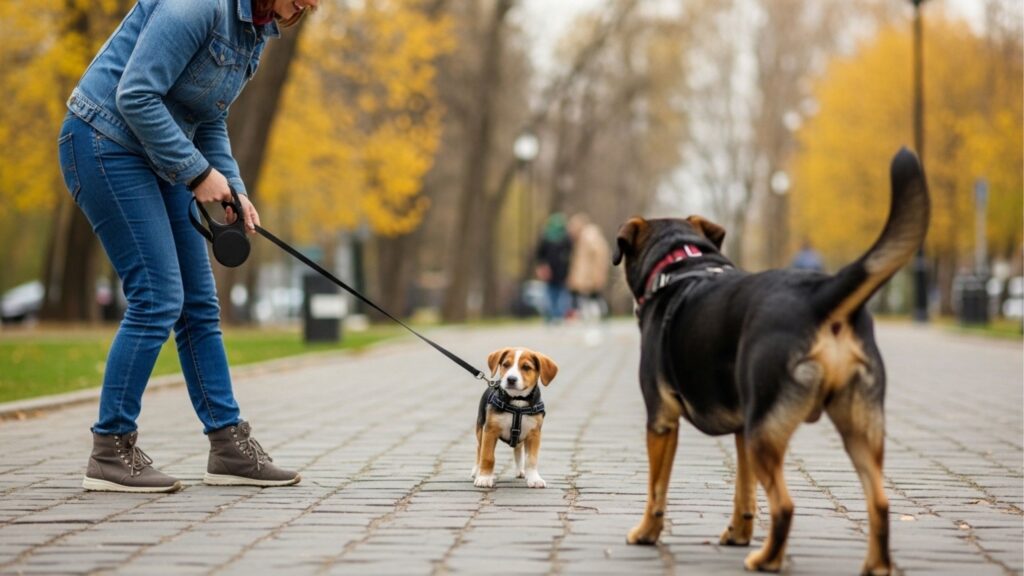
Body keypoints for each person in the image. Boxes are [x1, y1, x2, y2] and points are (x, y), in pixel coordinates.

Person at [56, 0, 317, 493]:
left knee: (199, 306)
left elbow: (207, 120)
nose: (308, 4)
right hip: (104, 141)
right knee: (158, 297)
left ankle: (228, 447)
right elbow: (135, 95)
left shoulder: (254, 32)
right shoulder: (196, 6)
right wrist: (199, 174)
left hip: (161, 155)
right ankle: (110, 449)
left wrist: (232, 188)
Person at [566, 213, 610, 344]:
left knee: (592, 305)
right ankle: (594, 331)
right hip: (586, 279)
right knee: (588, 305)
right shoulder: (584, 238)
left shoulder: (589, 236)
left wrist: (597, 275)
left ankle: (595, 332)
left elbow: (599, 257)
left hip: (590, 279)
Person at [534, 213, 573, 323]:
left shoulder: (566, 238)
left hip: (562, 272)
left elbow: (570, 254)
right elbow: (539, 256)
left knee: (562, 295)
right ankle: (550, 315)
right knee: (550, 294)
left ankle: (559, 315)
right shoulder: (545, 238)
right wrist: (542, 268)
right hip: (549, 272)